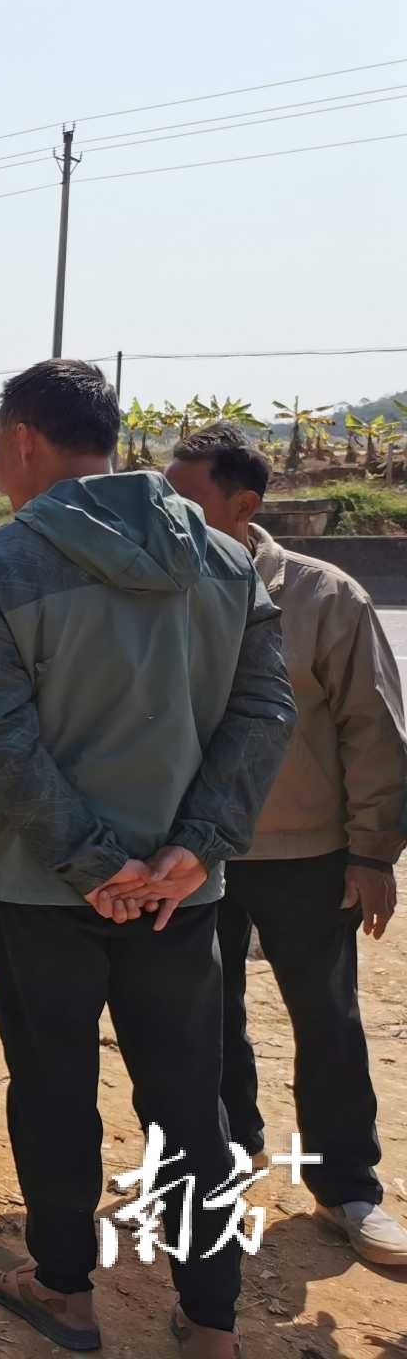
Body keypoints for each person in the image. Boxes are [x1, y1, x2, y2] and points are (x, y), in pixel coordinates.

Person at [0, 362, 294, 1357]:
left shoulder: (2, 566)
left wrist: (92, 858)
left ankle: (65, 1292)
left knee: (54, 1092)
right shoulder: (226, 560)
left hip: (44, 889)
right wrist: (196, 846)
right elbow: (266, 708)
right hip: (182, 896)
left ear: (23, 442)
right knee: (193, 1104)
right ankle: (211, 1320)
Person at [166, 422, 407, 1267]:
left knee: (328, 1019)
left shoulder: (323, 596)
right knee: (206, 1022)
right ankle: (227, 1164)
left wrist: (374, 853)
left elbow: (375, 729)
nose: (171, 512)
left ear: (245, 507)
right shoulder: (159, 586)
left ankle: (349, 1188)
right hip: (197, 853)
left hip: (310, 854)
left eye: (188, 498)